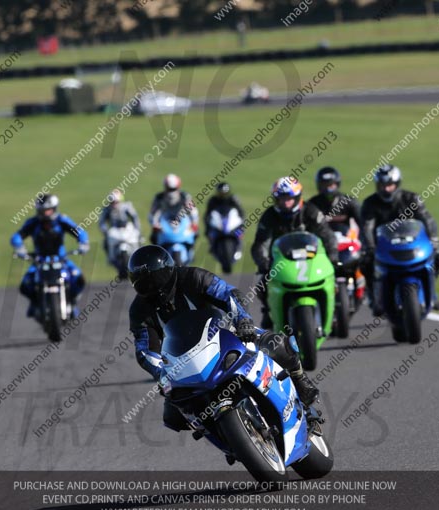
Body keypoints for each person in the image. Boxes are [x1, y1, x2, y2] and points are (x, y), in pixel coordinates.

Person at [127, 245, 320, 432]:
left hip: (224, 334)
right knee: (174, 417)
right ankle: (224, 435)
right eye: (144, 282)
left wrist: (243, 320)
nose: (153, 286)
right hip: (185, 362)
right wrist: (160, 372)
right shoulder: (139, 310)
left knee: (276, 344)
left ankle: (300, 380)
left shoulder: (192, 276)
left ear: (168, 269)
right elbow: (145, 349)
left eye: (155, 278)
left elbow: (227, 293)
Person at [251, 177, 340, 328]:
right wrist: (264, 262)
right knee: (262, 286)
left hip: (311, 259)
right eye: (281, 198)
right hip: (280, 262)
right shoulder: (269, 216)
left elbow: (327, 235)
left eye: (289, 198)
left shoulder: (311, 211)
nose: (285, 202)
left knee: (333, 281)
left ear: (297, 197)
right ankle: (269, 311)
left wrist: (332, 255)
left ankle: (334, 310)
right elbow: (260, 243)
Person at [359, 164, 439, 315]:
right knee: (366, 264)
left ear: (397, 184)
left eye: (390, 185)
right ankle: (374, 297)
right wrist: (370, 248)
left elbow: (428, 220)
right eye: (383, 185)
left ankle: (432, 294)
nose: (386, 189)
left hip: (411, 244)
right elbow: (367, 227)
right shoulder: (370, 203)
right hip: (384, 246)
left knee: (438, 258)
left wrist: (434, 242)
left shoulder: (411, 199)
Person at [11, 194, 89, 318]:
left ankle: (72, 302)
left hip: (61, 259)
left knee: (78, 278)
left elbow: (79, 232)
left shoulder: (62, 221)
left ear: (54, 209)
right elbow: (17, 236)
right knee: (26, 284)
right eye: (43, 211)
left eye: (49, 210)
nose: (46, 214)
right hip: (39, 261)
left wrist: (83, 243)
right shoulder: (33, 223)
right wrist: (19, 248)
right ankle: (35, 304)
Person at [305, 166, 362, 234]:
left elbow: (363, 223)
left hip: (346, 241)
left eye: (331, 185)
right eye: (324, 185)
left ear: (337, 184)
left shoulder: (349, 202)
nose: (327, 189)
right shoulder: (312, 204)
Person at [148, 173, 199, 245]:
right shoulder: (159, 198)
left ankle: (190, 253)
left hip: (182, 222)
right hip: (164, 224)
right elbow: (152, 214)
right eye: (169, 189)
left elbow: (193, 211)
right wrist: (155, 224)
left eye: (173, 189)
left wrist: (194, 223)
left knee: (195, 234)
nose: (171, 192)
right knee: (154, 238)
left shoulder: (185, 196)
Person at [204, 182, 245, 247]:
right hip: (217, 222)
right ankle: (212, 246)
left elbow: (241, 213)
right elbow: (207, 215)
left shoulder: (233, 199)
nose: (223, 195)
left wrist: (242, 225)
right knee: (210, 233)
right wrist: (207, 228)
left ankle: (239, 245)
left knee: (239, 232)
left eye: (224, 193)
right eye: (221, 193)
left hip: (231, 222)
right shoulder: (213, 200)